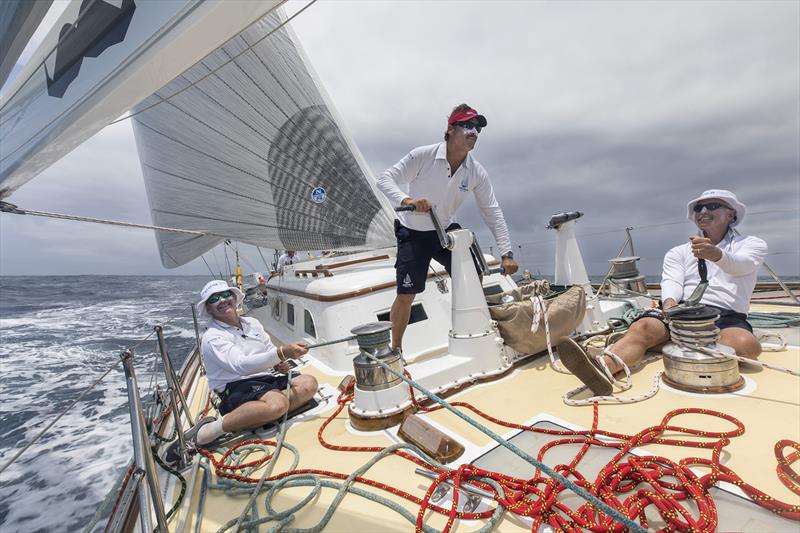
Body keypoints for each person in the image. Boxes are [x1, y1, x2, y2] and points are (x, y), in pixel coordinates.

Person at [557, 189, 768, 396]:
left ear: (731, 214)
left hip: (725, 316)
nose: (703, 211)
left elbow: (742, 265)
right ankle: (602, 368)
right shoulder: (679, 252)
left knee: (747, 347)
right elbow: (672, 281)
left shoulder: (751, 244)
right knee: (644, 326)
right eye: (698, 208)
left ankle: (659, 343)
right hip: (683, 308)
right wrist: (669, 306)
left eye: (712, 206)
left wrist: (716, 255)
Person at [376, 104, 519, 351]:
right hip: (413, 232)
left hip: (444, 230)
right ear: (451, 129)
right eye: (468, 126)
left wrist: (507, 253)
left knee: (474, 274)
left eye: (478, 128)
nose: (474, 132)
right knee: (406, 294)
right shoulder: (424, 155)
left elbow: (492, 211)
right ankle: (396, 348)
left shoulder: (476, 172)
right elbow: (384, 179)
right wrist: (408, 200)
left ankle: (472, 329)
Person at [165, 280, 318, 463]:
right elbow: (241, 366)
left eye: (225, 295)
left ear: (234, 297)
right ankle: (207, 432)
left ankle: (256, 414)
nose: (222, 300)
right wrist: (282, 352)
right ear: (209, 309)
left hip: (264, 378)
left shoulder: (252, 323)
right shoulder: (213, 337)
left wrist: (279, 363)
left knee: (309, 384)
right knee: (278, 404)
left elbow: (267, 348)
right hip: (235, 384)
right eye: (214, 299)